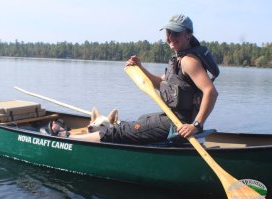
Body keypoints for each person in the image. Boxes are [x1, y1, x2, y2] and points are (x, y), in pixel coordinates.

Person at [50, 14, 218, 144]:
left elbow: (211, 91)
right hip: (173, 118)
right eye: (169, 32)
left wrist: (195, 126)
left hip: (179, 123)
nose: (171, 37)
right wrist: (140, 68)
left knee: (120, 130)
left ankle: (67, 138)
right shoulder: (179, 59)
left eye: (177, 33)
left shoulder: (189, 61)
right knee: (141, 120)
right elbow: (161, 83)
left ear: (188, 35)